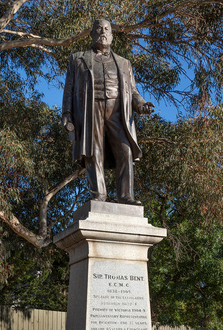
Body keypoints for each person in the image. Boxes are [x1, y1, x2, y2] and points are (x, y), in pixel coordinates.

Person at [62, 19, 154, 205]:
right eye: (99, 28)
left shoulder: (124, 62)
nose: (102, 32)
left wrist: (141, 105)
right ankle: (99, 196)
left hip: (117, 110)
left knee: (125, 151)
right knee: (93, 152)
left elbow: (133, 90)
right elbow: (69, 89)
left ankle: (126, 196)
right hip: (90, 109)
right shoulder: (77, 58)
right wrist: (66, 113)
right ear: (92, 33)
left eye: (106, 29)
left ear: (111, 35)